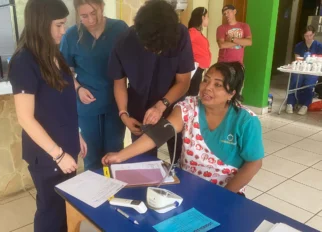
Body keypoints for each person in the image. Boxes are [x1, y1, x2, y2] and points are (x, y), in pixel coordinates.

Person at [103, 62, 264, 195]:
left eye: (218, 85)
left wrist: (225, 195)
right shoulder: (189, 106)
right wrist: (120, 156)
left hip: (227, 192)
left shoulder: (245, 121)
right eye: (206, 80)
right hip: (186, 185)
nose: (207, 87)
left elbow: (254, 164)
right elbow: (159, 134)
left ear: (231, 94)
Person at [8, 1, 87, 231]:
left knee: (65, 207)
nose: (64, 31)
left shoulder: (53, 54)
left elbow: (61, 104)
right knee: (51, 211)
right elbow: (25, 118)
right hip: (48, 155)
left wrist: (77, 135)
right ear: (41, 24)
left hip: (65, 147)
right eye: (59, 25)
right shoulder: (24, 61)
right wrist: (59, 155)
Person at [109, 0, 194, 164]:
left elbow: (184, 81)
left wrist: (161, 105)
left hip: (174, 108)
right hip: (139, 111)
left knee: (182, 161)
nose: (156, 52)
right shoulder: (124, 42)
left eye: (161, 49)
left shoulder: (180, 34)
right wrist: (124, 114)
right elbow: (119, 83)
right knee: (143, 163)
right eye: (151, 48)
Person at [60, 0, 128, 171]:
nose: (90, 19)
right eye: (84, 16)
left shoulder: (120, 29)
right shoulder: (71, 35)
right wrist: (78, 88)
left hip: (115, 104)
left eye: (94, 13)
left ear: (102, 7)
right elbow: (63, 70)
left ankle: (116, 195)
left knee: (115, 156)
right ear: (77, 14)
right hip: (87, 106)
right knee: (91, 159)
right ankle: (95, 196)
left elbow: (132, 63)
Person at [286, 25, 322, 115]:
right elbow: (297, 59)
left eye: (310, 35)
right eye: (306, 36)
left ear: (313, 34)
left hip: (313, 70)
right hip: (300, 69)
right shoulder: (299, 46)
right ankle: (290, 103)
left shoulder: (319, 46)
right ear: (303, 35)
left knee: (310, 84)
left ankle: (305, 105)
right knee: (295, 80)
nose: (308, 38)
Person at [188, 7, 211, 96]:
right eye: (207, 16)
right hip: (195, 68)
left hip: (199, 69)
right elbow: (183, 46)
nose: (208, 19)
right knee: (192, 93)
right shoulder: (192, 32)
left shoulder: (197, 32)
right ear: (202, 17)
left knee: (194, 91)